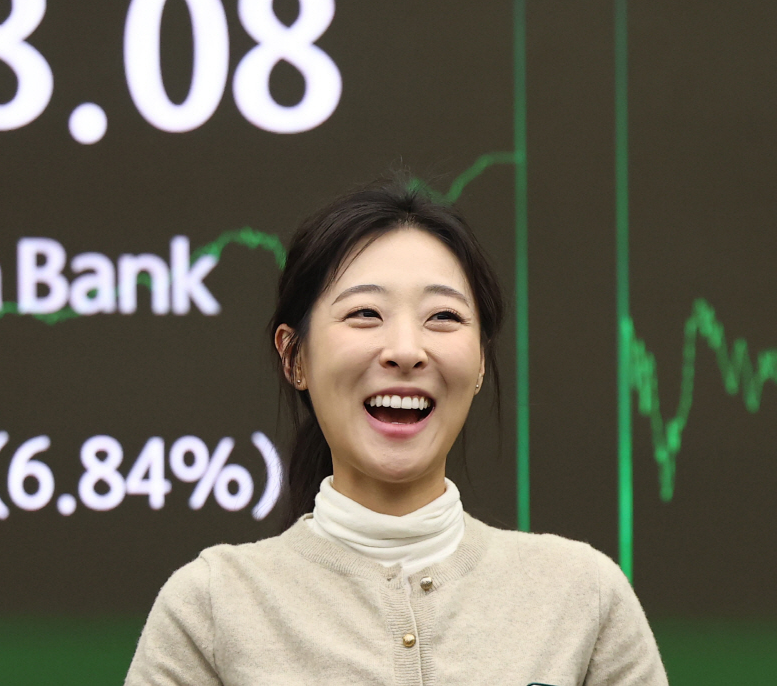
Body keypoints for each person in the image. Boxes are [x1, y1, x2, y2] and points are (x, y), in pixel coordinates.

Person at [125, 180, 666, 685]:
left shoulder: (583, 596)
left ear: (481, 361)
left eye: (443, 317)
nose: (406, 351)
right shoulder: (211, 607)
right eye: (364, 313)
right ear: (295, 357)